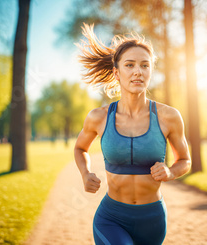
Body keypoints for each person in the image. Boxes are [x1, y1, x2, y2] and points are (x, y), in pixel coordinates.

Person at [74, 23, 192, 245]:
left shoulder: (169, 116)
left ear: (150, 72)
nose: (138, 71)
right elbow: (80, 148)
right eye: (130, 65)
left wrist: (170, 171)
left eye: (144, 65)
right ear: (117, 73)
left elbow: (185, 160)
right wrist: (85, 173)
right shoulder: (99, 117)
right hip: (112, 218)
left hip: (153, 219)